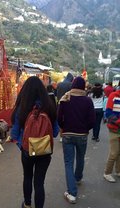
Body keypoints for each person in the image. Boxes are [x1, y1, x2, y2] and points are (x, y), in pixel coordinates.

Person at [10, 76, 58, 208]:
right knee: (39, 183)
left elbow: (14, 133)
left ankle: (27, 204)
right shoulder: (49, 106)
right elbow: (55, 132)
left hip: (27, 152)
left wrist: (23, 145)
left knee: (27, 177)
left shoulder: (23, 107)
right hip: (45, 151)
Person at [57, 76, 95, 204]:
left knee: (68, 162)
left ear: (72, 85)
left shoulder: (65, 98)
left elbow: (59, 118)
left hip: (67, 134)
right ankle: (78, 178)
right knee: (80, 157)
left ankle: (72, 193)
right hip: (82, 135)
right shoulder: (88, 101)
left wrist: (64, 127)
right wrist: (85, 129)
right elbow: (92, 121)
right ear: (83, 86)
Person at [103, 81, 120, 183]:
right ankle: (107, 173)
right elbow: (109, 113)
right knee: (114, 153)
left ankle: (118, 171)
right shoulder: (113, 96)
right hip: (114, 128)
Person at [56, 72, 74, 142]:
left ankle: (61, 136)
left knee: (61, 120)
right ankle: (68, 134)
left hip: (60, 103)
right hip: (68, 104)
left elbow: (56, 93)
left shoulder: (59, 84)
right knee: (68, 120)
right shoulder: (71, 84)